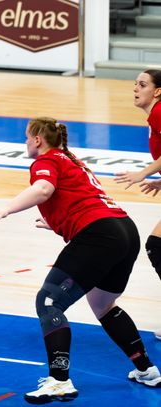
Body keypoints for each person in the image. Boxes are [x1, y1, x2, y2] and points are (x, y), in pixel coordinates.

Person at [0, 117, 161, 404]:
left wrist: (7, 208)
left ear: (38, 139)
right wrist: (59, 222)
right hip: (125, 231)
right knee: (103, 305)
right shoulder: (72, 160)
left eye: (27, 137)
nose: (25, 142)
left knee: (49, 302)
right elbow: (82, 199)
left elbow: (43, 189)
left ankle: (59, 381)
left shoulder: (47, 160)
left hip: (100, 235)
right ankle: (147, 370)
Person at [114, 69, 161, 340]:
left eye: (142, 84)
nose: (135, 88)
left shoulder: (159, 112)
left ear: (157, 91)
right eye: (135, 84)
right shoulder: (154, 117)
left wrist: (143, 174)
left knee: (157, 246)